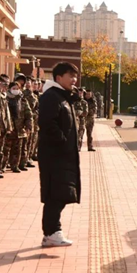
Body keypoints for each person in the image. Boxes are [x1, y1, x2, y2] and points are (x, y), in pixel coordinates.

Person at [38, 62, 81, 247]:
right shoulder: (51, 97)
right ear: (58, 78)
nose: (74, 80)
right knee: (56, 195)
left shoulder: (62, 96)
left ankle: (51, 232)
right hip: (55, 155)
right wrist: (63, 143)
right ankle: (52, 232)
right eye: (70, 76)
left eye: (75, 76)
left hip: (63, 155)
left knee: (61, 193)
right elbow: (48, 124)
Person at [2, 81, 32, 173]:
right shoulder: (5, 99)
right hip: (8, 128)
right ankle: (3, 166)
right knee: (6, 149)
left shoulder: (23, 100)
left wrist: (28, 125)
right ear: (9, 89)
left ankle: (15, 166)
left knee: (17, 149)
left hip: (19, 128)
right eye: (13, 88)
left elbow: (28, 114)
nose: (15, 90)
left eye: (17, 88)